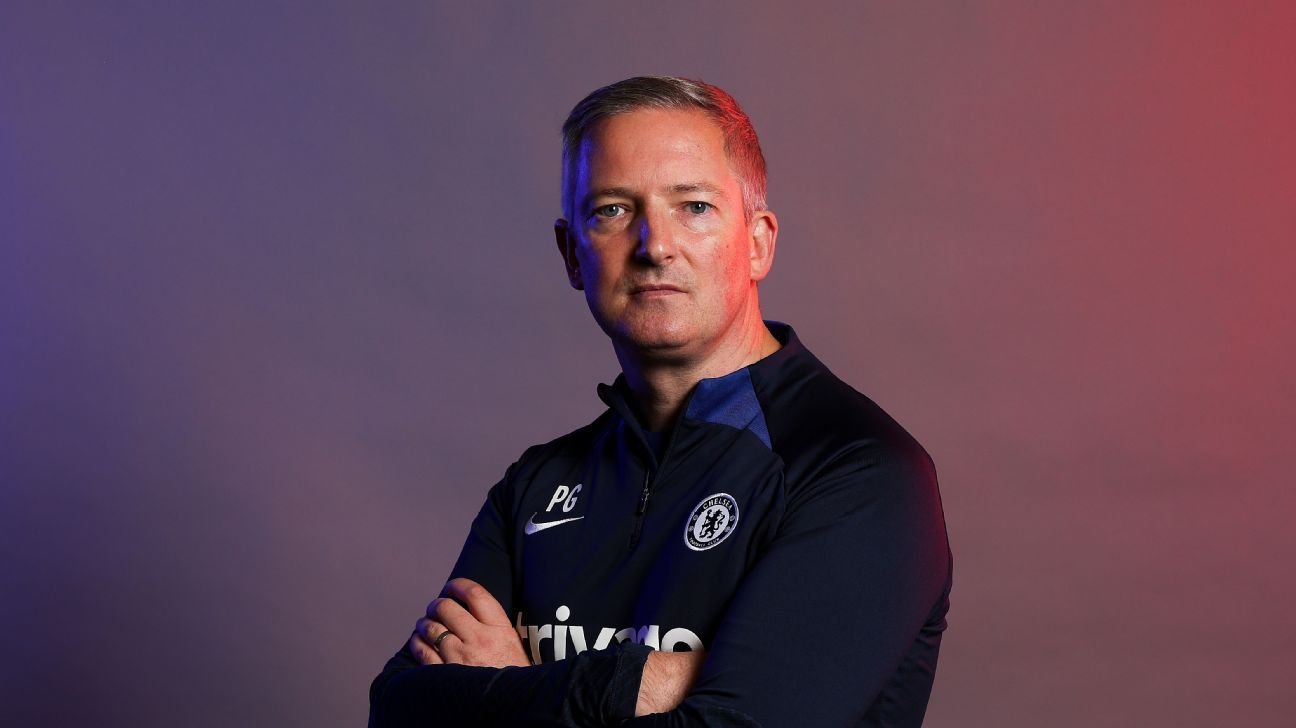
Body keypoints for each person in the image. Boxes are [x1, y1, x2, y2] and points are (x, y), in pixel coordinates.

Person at [369, 76, 952, 727]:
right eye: (612, 210)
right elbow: (396, 710)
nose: (654, 246)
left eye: (694, 206)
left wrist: (513, 688)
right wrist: (640, 683)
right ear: (571, 254)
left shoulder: (859, 472)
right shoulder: (533, 487)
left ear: (758, 242)